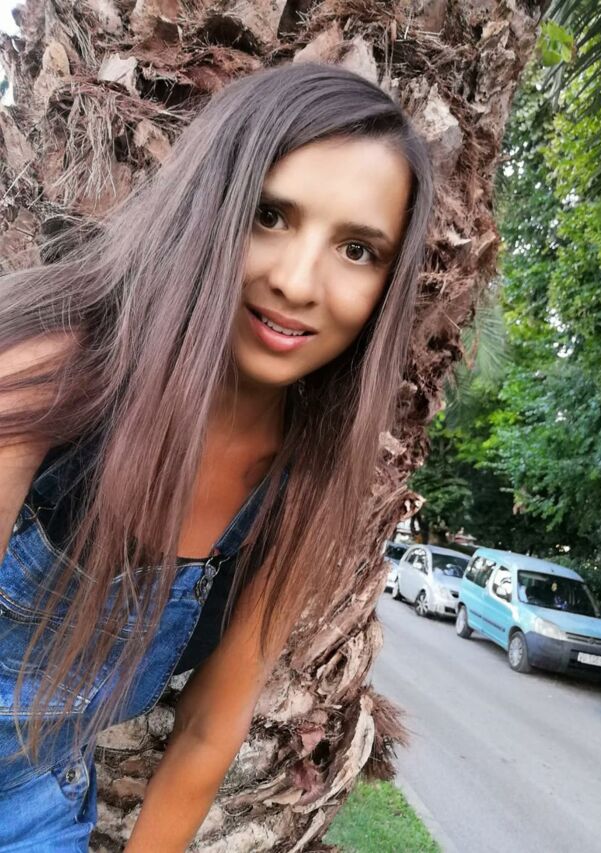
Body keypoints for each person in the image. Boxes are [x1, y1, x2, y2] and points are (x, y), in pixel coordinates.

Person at [0, 62, 433, 851]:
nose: (297, 282)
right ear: (210, 204)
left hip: (36, 805)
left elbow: (207, 728)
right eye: (269, 214)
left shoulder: (294, 491)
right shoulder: (47, 370)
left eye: (357, 249)